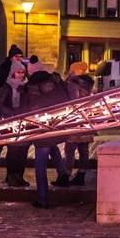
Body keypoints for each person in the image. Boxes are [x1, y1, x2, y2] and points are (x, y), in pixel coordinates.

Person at [23, 68, 72, 208]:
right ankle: (62, 171)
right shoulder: (57, 86)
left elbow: (27, 110)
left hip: (41, 133)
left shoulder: (32, 91)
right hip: (56, 128)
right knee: (53, 145)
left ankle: (42, 199)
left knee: (40, 166)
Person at [0, 45, 24, 186]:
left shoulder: (21, 72)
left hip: (16, 116)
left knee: (13, 147)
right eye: (16, 56)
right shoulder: (0, 73)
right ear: (10, 57)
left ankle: (11, 175)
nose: (19, 59)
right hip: (1, 115)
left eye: (21, 57)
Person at [0, 57, 31, 186]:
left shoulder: (27, 86)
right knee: (13, 150)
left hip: (25, 123)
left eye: (22, 72)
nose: (21, 75)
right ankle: (11, 176)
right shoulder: (6, 86)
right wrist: (13, 114)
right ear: (13, 73)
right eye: (18, 72)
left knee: (23, 150)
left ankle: (19, 175)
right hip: (11, 123)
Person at [64, 72, 96, 185]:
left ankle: (66, 175)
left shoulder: (73, 84)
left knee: (69, 149)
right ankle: (81, 175)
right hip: (86, 120)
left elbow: (74, 101)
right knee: (84, 150)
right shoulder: (89, 84)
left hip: (75, 122)